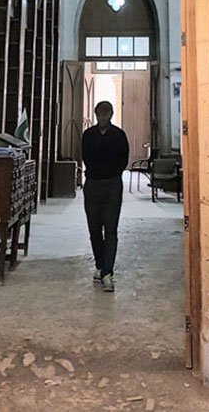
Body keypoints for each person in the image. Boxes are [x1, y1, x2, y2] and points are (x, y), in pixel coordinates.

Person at [81, 100, 129, 292]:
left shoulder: (118, 135)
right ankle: (100, 265)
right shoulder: (88, 135)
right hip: (92, 185)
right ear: (95, 115)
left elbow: (123, 159)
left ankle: (107, 272)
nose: (102, 118)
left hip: (112, 185)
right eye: (99, 114)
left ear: (111, 114)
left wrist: (112, 173)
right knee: (94, 229)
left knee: (110, 229)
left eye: (105, 114)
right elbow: (85, 157)